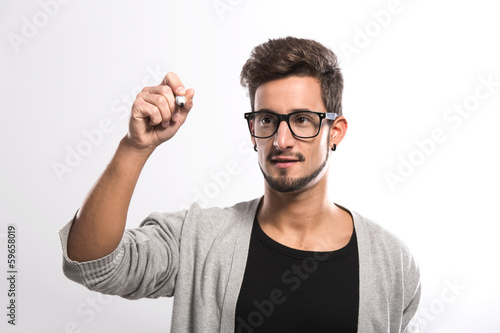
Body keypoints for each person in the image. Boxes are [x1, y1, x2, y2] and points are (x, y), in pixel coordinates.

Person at [59, 37, 421, 332]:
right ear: (253, 129)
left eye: (302, 120)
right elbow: (94, 264)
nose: (281, 140)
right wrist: (135, 148)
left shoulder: (391, 262)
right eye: (267, 119)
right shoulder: (198, 238)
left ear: (335, 131)